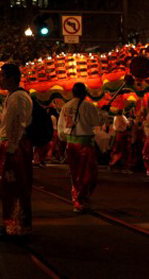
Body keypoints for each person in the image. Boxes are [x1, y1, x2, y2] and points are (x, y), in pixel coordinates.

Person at [0, 63, 33, 240]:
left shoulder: (18, 98)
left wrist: (10, 148)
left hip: (15, 147)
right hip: (13, 145)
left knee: (16, 186)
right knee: (10, 187)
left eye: (1, 76)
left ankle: (17, 227)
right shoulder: (13, 96)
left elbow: (18, 124)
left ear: (11, 78)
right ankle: (11, 223)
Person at [57, 82, 105, 212]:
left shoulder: (66, 106)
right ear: (85, 93)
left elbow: (61, 126)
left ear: (73, 93)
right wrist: (103, 114)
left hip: (70, 143)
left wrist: (63, 138)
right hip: (84, 144)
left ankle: (77, 198)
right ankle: (81, 200)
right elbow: (96, 122)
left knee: (75, 173)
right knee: (87, 174)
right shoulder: (88, 106)